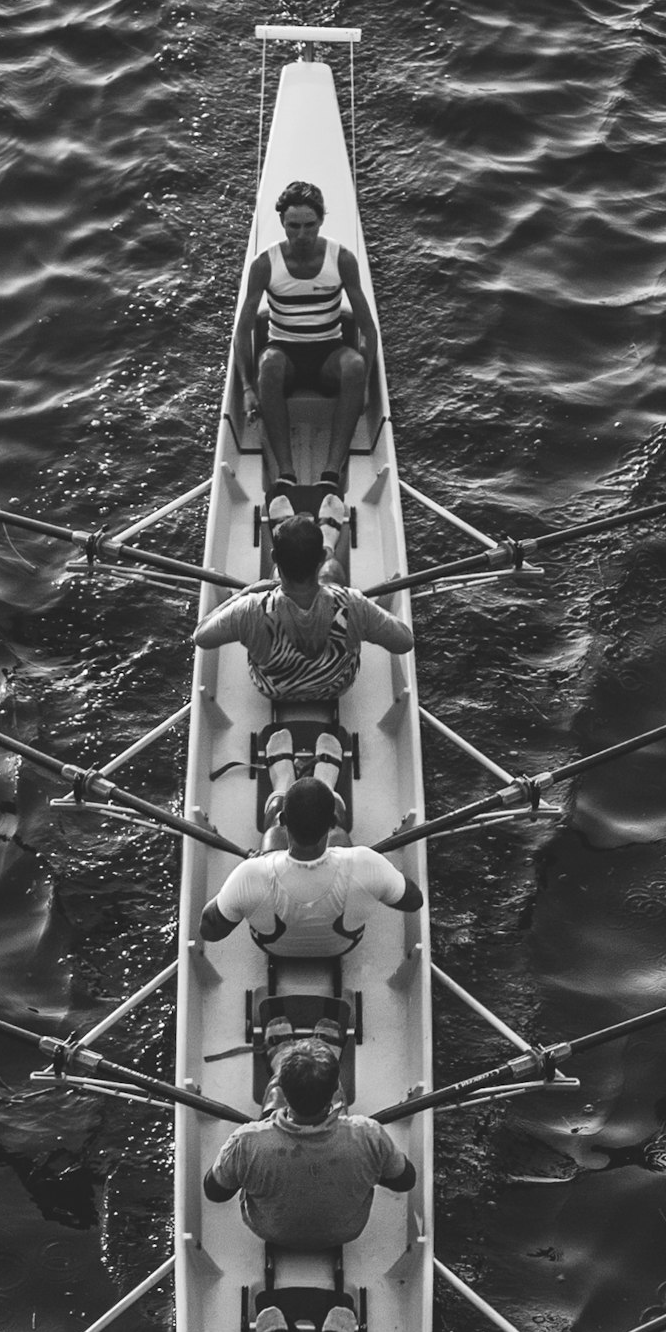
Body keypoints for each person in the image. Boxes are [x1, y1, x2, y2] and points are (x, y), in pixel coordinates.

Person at [194, 513, 413, 816]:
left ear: (275, 557)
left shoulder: (250, 609)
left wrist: (247, 593)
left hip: (274, 687)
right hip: (337, 684)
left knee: (300, 580)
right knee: (335, 572)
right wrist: (362, 614)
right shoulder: (352, 603)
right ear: (320, 557)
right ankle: (330, 537)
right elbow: (404, 641)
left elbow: (201, 636)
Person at [231, 178, 384, 504]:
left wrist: (368, 385)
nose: (302, 235)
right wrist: (246, 388)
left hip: (327, 353)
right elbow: (242, 330)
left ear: (321, 221)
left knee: (354, 365)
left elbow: (369, 330)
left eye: (309, 225)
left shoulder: (341, 259)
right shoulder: (264, 265)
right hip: (283, 353)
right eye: (293, 226)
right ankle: (285, 472)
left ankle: (332, 472)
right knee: (269, 364)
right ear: (283, 223)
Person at [201, 1037, 416, 1248]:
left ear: (285, 1092)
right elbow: (404, 1180)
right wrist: (369, 1168)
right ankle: (327, 1056)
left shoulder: (246, 1141)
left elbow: (216, 1192)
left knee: (270, 1107)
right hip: (346, 1231)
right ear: (334, 1091)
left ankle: (279, 1063)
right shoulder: (369, 1134)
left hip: (270, 1231)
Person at [199, 772, 423, 952]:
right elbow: (414, 900)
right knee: (342, 839)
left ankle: (282, 780)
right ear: (332, 822)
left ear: (284, 821)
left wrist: (251, 872)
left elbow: (209, 931)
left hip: (274, 947)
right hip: (343, 946)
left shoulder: (249, 875)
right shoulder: (366, 862)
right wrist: (378, 875)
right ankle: (327, 779)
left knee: (272, 838)